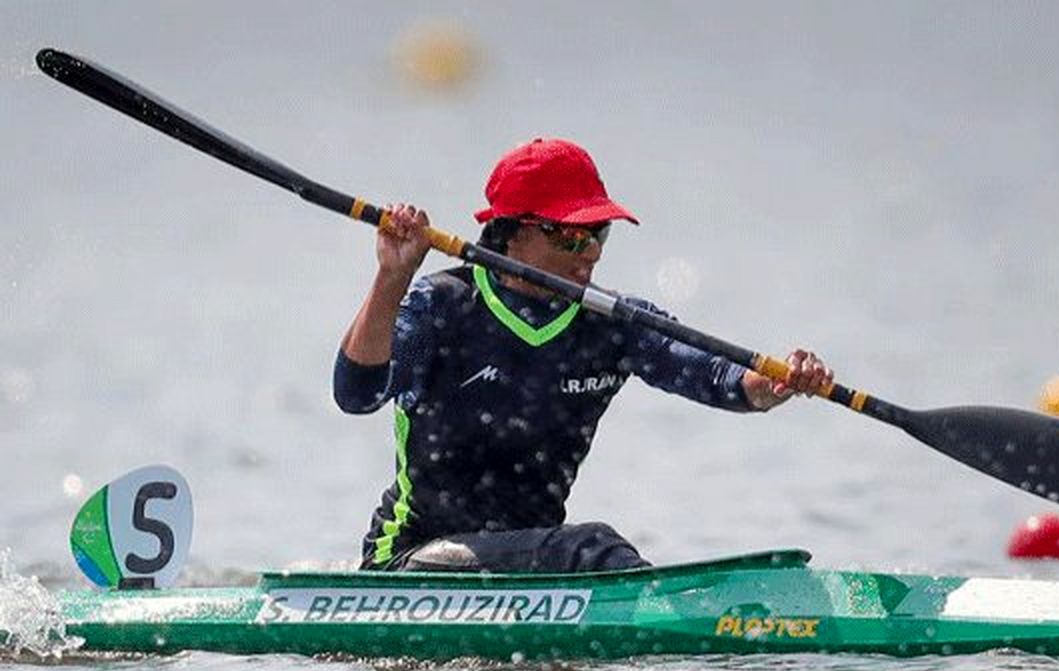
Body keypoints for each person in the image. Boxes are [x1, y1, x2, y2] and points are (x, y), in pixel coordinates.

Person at [334, 138, 832, 573]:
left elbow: (718, 376)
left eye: (599, 235)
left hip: (535, 565)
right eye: (571, 235)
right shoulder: (443, 305)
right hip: (415, 559)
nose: (591, 252)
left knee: (581, 552)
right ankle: (660, 617)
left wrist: (773, 384)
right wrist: (392, 277)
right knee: (591, 548)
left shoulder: (610, 326)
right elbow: (356, 395)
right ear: (514, 233)